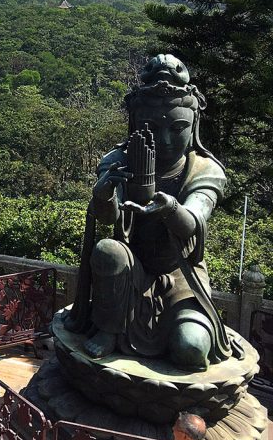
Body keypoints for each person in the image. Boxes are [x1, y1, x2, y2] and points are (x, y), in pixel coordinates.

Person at [66, 54, 242, 371]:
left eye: (177, 129)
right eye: (150, 128)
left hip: (180, 277)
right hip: (128, 273)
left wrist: (170, 207)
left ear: (193, 125)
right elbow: (108, 218)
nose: (163, 140)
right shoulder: (118, 161)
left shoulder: (203, 170)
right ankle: (109, 327)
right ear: (135, 125)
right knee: (108, 250)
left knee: (190, 349)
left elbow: (193, 223)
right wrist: (103, 193)